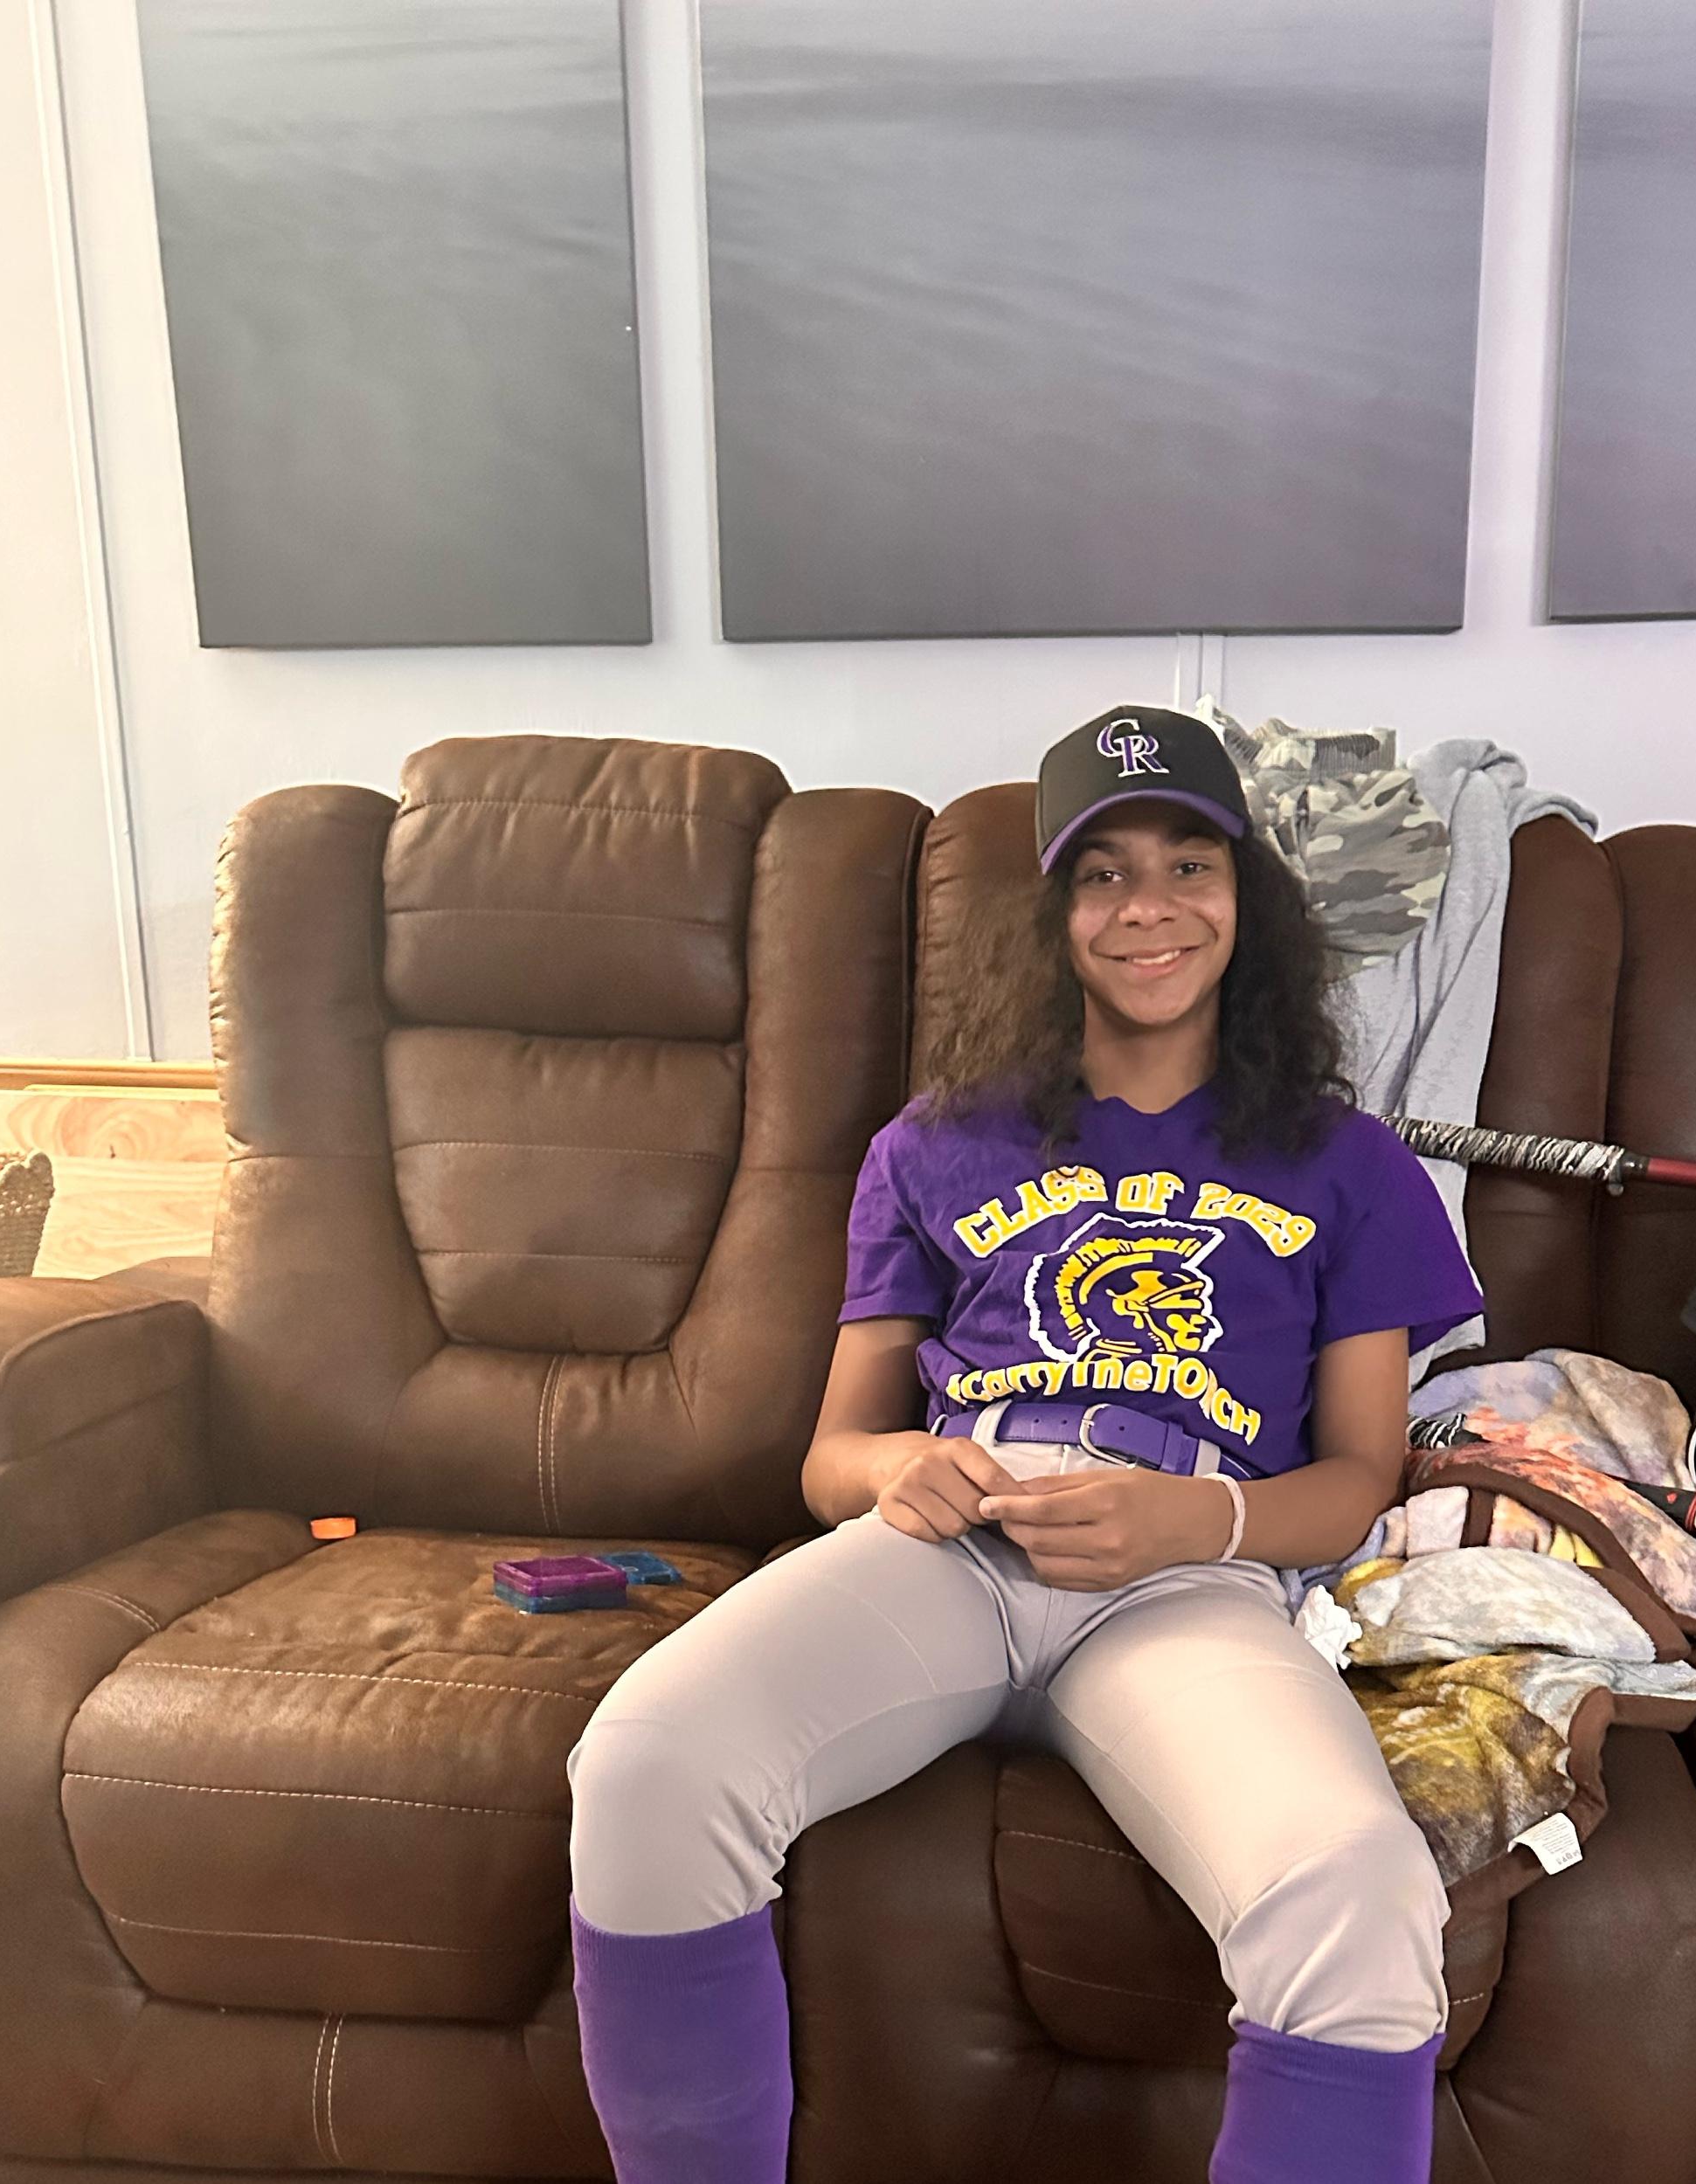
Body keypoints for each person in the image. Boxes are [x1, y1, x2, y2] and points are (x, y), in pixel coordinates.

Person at [565, 705, 1483, 2184]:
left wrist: (1199, 1527)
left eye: (1190, 865)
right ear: (1051, 917)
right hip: (952, 1547)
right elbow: (832, 1456)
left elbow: (1359, 1482)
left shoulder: (1351, 1164)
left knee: (1358, 1888)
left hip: (1188, 1576)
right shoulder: (933, 1145)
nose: (1149, 908)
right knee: (645, 1763)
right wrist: (893, 1470)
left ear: (1246, 901)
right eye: (1102, 874)